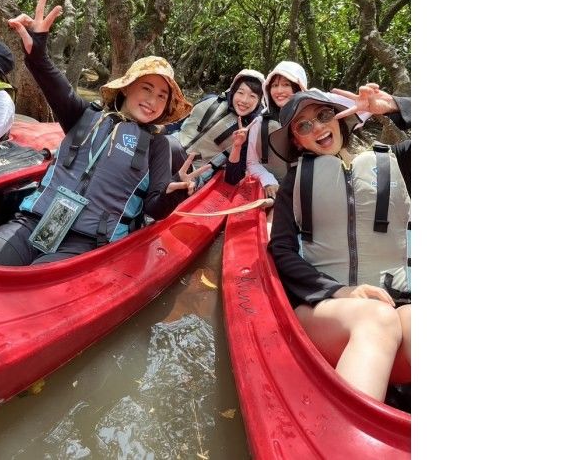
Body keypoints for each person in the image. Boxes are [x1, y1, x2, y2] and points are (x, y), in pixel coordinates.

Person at [0, 0, 208, 265]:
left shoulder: (158, 144)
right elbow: (52, 82)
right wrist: (37, 51)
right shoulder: (83, 115)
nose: (153, 101)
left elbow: (154, 206)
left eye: (162, 96)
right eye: (147, 89)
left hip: (88, 243)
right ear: (127, 88)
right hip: (33, 222)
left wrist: (172, 196)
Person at [266, 83, 410, 403]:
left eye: (323, 114)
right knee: (376, 319)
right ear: (296, 140)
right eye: (304, 125)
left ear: (339, 118)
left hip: (395, 302)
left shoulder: (397, 162)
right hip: (326, 308)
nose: (317, 126)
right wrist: (340, 291)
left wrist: (396, 108)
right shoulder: (295, 182)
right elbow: (282, 250)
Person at [169, 69, 265, 184]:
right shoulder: (210, 100)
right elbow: (178, 124)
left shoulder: (250, 131)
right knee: (166, 144)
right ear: (233, 91)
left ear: (259, 102)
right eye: (240, 93)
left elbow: (232, 179)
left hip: (193, 175)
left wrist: (237, 146)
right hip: (169, 151)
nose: (244, 100)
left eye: (252, 96)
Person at [225, 60, 308, 195]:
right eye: (274, 85)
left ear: (298, 86)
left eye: (286, 84)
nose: (279, 90)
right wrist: (268, 180)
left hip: (307, 188)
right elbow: (252, 162)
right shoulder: (260, 123)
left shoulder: (313, 118)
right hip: (276, 189)